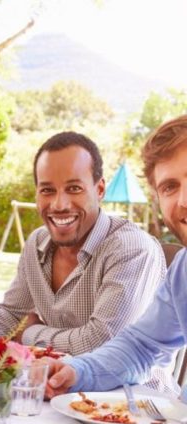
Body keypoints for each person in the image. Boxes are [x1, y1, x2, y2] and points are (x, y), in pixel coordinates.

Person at [0, 131, 169, 389]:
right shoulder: (36, 243)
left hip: (131, 402)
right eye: (47, 190)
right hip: (56, 394)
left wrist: (30, 333)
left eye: (74, 188)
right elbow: (13, 315)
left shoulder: (131, 249)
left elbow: (103, 343)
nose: (59, 204)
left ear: (99, 189)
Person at [45, 115, 187, 398]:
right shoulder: (183, 270)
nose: (184, 201)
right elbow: (142, 346)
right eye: (170, 187)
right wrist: (77, 372)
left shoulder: (131, 247)